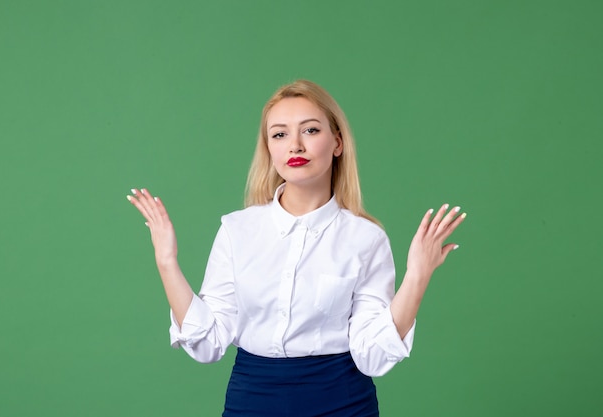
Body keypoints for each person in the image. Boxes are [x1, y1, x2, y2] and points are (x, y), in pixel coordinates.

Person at [126, 79, 466, 416]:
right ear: (269, 148)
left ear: (337, 142)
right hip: (252, 400)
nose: (295, 146)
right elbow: (208, 343)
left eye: (310, 130)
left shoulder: (366, 239)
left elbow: (372, 357)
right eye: (280, 134)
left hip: (343, 403)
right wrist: (167, 262)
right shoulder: (236, 230)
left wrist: (418, 275)